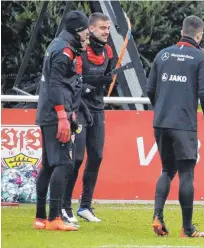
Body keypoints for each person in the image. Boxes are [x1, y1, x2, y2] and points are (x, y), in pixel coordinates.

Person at [146, 15, 204, 238]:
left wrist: (162, 108)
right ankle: (187, 228)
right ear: (200, 35)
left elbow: (150, 90)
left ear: (181, 31)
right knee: (186, 173)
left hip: (161, 122)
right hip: (183, 124)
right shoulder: (200, 58)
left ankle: (158, 215)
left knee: (167, 169)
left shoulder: (163, 54)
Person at [33, 10, 89, 231]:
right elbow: (56, 84)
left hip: (50, 113)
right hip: (55, 115)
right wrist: (63, 116)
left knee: (48, 165)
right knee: (64, 163)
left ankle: (40, 218)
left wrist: (69, 110)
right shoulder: (64, 51)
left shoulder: (58, 45)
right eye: (85, 30)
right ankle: (55, 218)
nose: (87, 35)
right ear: (77, 30)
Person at [61, 12, 117, 224]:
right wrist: (86, 86)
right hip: (79, 108)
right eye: (103, 28)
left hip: (97, 109)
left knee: (97, 156)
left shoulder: (109, 51)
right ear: (91, 29)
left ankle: (85, 205)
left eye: (108, 28)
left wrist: (107, 81)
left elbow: (108, 79)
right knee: (76, 159)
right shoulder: (80, 50)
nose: (106, 32)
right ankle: (65, 206)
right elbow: (73, 81)